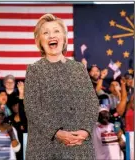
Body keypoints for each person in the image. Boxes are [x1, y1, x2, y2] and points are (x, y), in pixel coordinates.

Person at [24, 13, 99, 160]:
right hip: (45, 149)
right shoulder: (34, 70)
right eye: (46, 32)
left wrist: (85, 131)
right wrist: (57, 132)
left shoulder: (79, 69)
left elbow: (92, 103)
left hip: (79, 147)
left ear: (64, 38)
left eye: (56, 31)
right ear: (40, 41)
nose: (51, 35)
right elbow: (32, 108)